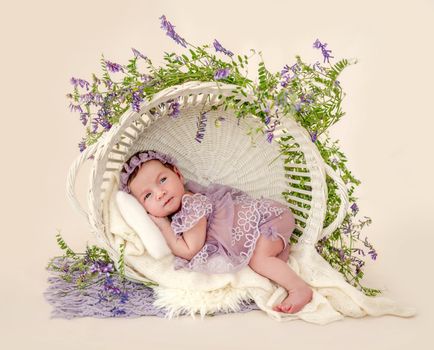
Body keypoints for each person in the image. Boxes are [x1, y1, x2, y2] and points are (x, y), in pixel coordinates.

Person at [119, 150, 313, 314]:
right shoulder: (182, 209)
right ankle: (280, 262)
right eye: (148, 195)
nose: (160, 193)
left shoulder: (192, 204)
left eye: (162, 180)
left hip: (268, 219)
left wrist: (163, 226)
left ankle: (299, 288)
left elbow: (189, 250)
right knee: (266, 261)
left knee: (259, 260)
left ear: (178, 174)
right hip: (264, 224)